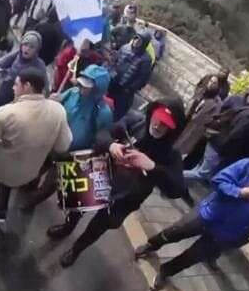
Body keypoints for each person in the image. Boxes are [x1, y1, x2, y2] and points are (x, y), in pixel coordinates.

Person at [54, 99, 187, 268]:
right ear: (152, 113)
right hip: (101, 178)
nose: (158, 126)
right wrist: (111, 145)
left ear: (172, 129)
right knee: (78, 206)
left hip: (123, 199)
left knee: (97, 227)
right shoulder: (135, 122)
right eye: (157, 119)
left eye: (165, 124)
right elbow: (103, 133)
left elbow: (177, 189)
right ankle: (68, 226)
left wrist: (153, 167)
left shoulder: (171, 155)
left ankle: (76, 249)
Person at [136, 143, 249, 291]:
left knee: (192, 257)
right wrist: (239, 192)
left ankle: (166, 272)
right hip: (209, 213)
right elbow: (219, 180)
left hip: (228, 233)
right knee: (175, 232)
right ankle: (152, 245)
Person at [0, 67, 72, 224]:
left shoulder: (7, 113)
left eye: (16, 84)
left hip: (5, 168)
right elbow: (63, 145)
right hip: (30, 173)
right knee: (8, 177)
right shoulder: (58, 110)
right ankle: (0, 214)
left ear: (27, 86)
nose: (13, 87)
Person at [21, 64, 114, 213]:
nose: (81, 87)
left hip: (71, 156)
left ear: (97, 89)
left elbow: (101, 139)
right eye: (82, 83)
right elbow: (57, 105)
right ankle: (28, 184)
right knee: (37, 166)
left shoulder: (103, 113)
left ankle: (31, 202)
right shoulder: (73, 92)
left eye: (87, 86)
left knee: (51, 184)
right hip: (53, 142)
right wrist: (53, 101)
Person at [184, 96, 249, 198]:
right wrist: (225, 152)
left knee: (201, 172)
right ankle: (171, 176)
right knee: (202, 174)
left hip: (218, 145)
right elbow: (236, 134)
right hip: (220, 147)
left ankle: (178, 185)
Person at [0, 31, 46, 111]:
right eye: (25, 45)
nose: (27, 49)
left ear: (37, 50)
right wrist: (1, 73)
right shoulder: (17, 55)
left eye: (32, 47)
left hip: (22, 101)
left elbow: (44, 89)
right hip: (6, 93)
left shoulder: (40, 65)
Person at [175, 75, 222, 172]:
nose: (211, 84)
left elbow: (211, 119)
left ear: (218, 86)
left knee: (181, 150)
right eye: (210, 81)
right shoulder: (201, 92)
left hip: (195, 130)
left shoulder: (217, 103)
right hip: (185, 122)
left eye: (214, 83)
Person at [107, 32, 153, 121]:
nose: (136, 41)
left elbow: (142, 79)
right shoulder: (125, 48)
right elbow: (114, 61)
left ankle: (112, 123)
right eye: (136, 38)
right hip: (113, 82)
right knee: (106, 102)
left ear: (144, 43)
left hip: (125, 90)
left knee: (118, 110)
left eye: (140, 40)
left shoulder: (146, 59)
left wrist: (130, 88)